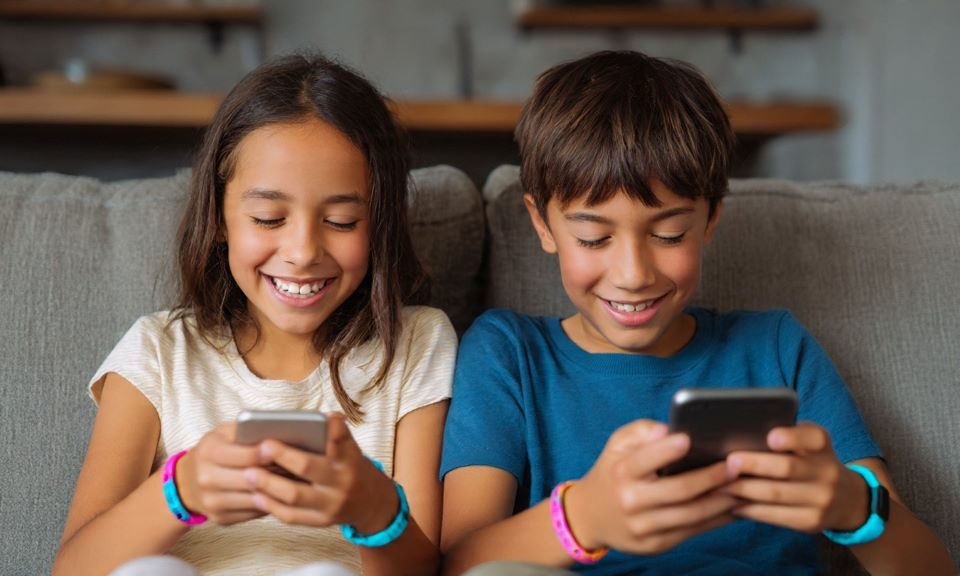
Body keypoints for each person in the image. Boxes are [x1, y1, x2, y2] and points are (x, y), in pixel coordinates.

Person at [438, 50, 953, 576]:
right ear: (542, 225)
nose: (634, 273)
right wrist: (582, 517)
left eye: (669, 235)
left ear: (709, 220)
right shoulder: (509, 353)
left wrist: (855, 508)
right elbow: (460, 565)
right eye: (594, 237)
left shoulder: (774, 348)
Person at [53, 53, 456, 576]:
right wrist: (183, 489)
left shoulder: (416, 344)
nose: (303, 250)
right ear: (219, 215)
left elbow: (423, 570)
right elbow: (72, 568)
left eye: (341, 220)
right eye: (268, 217)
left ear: (378, 223)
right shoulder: (159, 351)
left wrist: (374, 509)